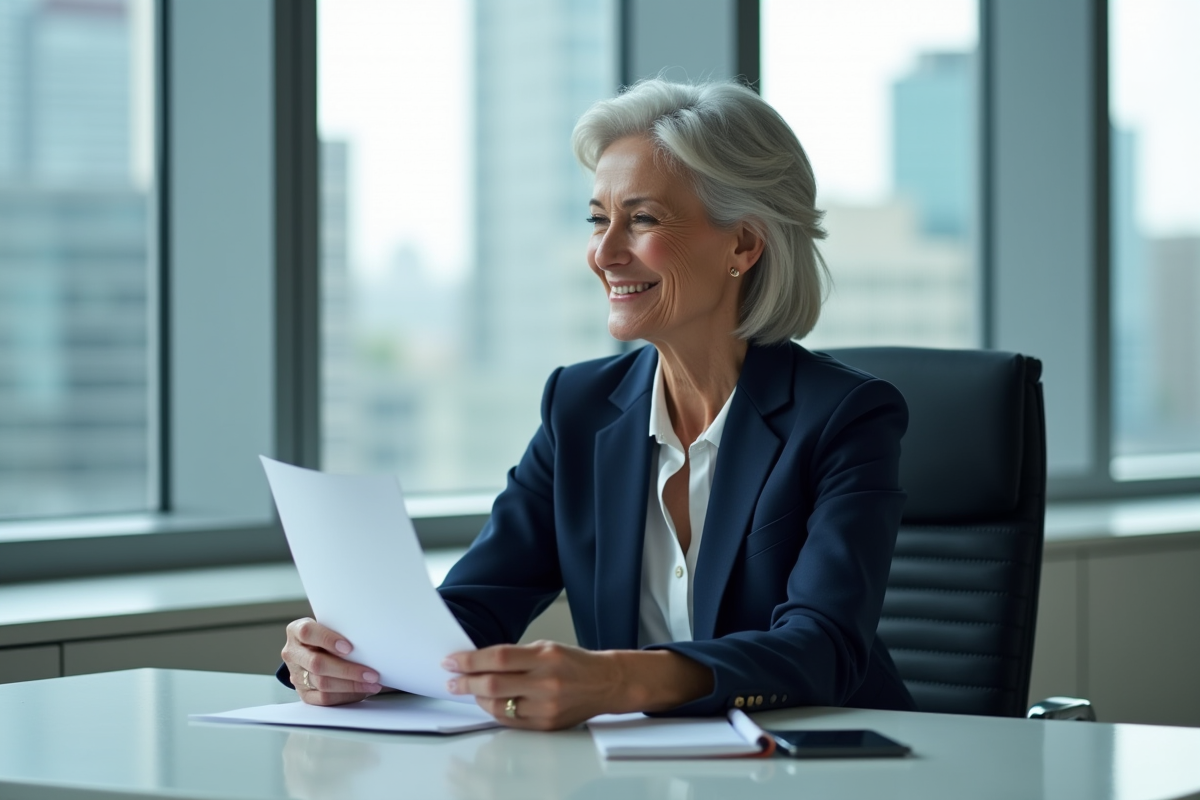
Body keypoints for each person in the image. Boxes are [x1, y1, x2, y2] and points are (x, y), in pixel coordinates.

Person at [279, 79, 916, 730]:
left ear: (744, 245)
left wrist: (615, 679)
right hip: (642, 769)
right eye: (597, 219)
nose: (604, 253)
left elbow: (822, 649)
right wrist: (352, 657)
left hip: (827, 763)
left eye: (641, 220)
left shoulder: (846, 417)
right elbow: (477, 604)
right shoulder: (579, 408)